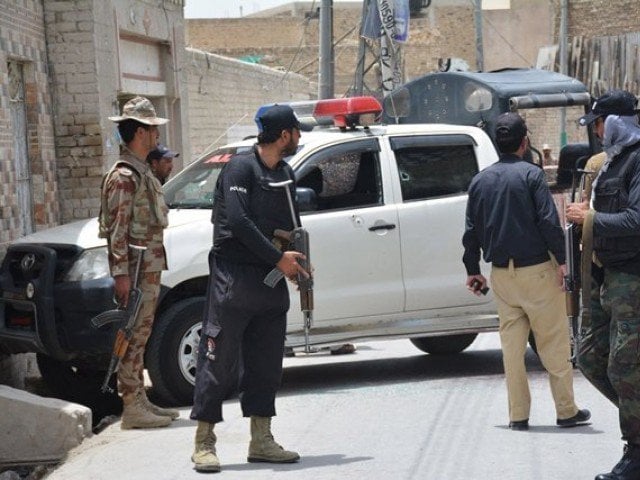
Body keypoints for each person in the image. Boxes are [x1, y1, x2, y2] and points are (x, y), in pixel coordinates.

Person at [189, 104, 310, 472]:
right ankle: (204, 443)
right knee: (217, 361)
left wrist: (299, 261)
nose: (299, 137)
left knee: (266, 364)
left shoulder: (285, 172)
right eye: (296, 131)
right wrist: (278, 260)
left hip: (269, 287)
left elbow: (293, 227)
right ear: (284, 134)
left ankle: (261, 440)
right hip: (234, 279)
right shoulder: (240, 168)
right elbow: (239, 223)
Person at [462, 112, 590, 431]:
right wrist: (563, 261)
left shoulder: (479, 181)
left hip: (502, 277)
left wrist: (472, 269)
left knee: (512, 349)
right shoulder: (532, 176)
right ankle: (565, 411)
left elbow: (470, 231)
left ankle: (518, 415)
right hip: (537, 273)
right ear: (525, 142)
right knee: (554, 343)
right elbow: (548, 222)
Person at [566, 90, 640, 480]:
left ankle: (637, 453)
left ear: (612, 122)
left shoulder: (637, 161)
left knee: (626, 366)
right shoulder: (610, 164)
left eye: (598, 122)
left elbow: (636, 221)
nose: (595, 131)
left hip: (633, 278)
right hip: (605, 276)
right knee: (591, 357)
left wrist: (589, 218)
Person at [100, 96, 179, 429]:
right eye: (151, 129)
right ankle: (131, 405)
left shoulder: (141, 171)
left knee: (141, 333)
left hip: (147, 266)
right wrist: (120, 274)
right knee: (132, 334)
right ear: (139, 132)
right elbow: (117, 230)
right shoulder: (124, 177)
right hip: (134, 269)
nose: (156, 135)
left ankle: (140, 400)